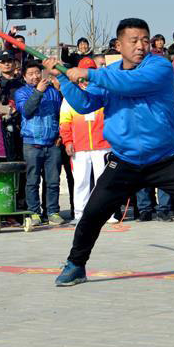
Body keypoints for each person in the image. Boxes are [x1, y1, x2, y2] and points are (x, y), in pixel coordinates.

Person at [45, 17, 174, 287]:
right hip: (124, 160)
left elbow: (131, 84)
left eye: (145, 40)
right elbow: (85, 104)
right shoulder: (110, 75)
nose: (140, 46)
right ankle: (75, 264)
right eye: (133, 41)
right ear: (119, 45)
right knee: (93, 212)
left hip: (165, 158)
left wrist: (87, 73)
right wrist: (63, 78)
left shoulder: (158, 66)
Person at [59, 57, 110, 223]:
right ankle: (80, 214)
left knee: (103, 181)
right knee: (81, 181)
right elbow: (64, 121)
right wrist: (68, 141)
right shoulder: (71, 95)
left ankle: (106, 213)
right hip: (79, 146)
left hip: (103, 145)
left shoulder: (102, 92)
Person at [15, 61, 64, 226]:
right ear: (24, 77)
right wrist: (38, 92)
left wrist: (60, 135)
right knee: (32, 181)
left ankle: (52, 212)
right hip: (32, 143)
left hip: (52, 143)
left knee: (53, 181)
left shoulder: (53, 92)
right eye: (30, 74)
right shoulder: (21, 92)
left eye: (37, 73)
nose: (35, 76)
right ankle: (34, 212)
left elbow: (61, 114)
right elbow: (26, 111)